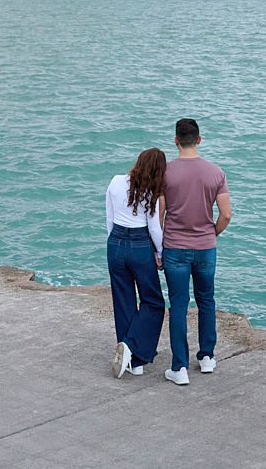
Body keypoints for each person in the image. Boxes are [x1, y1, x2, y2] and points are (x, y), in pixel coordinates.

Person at [160, 118, 231, 385]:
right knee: (206, 301)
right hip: (205, 249)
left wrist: (159, 247)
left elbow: (159, 214)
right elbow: (226, 214)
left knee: (178, 305)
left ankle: (179, 368)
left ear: (176, 140)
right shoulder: (215, 172)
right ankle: (207, 358)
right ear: (199, 139)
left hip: (175, 248)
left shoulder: (165, 173)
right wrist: (211, 233)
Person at [106, 148, 166, 378]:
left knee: (123, 300)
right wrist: (159, 253)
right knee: (153, 301)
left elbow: (109, 218)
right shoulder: (151, 191)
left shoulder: (115, 181)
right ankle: (133, 349)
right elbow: (154, 227)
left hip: (116, 243)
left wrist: (115, 244)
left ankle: (132, 361)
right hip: (140, 244)